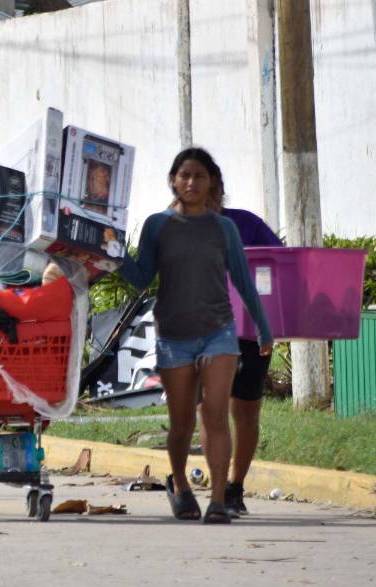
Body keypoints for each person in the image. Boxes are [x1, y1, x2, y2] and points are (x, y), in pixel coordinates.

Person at [119, 148, 273, 524]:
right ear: (173, 179)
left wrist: (264, 327)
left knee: (217, 415)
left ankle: (218, 500)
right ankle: (182, 488)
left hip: (219, 333)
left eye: (199, 176)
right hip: (174, 336)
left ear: (212, 183)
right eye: (184, 175)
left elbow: (242, 280)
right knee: (182, 422)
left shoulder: (225, 228)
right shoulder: (157, 225)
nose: (191, 182)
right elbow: (141, 277)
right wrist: (113, 249)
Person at [220, 208, 282, 517]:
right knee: (209, 413)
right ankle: (216, 488)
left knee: (245, 411)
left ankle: (233, 488)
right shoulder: (174, 226)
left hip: (249, 334)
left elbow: (282, 265)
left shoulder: (245, 224)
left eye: (204, 178)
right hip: (200, 333)